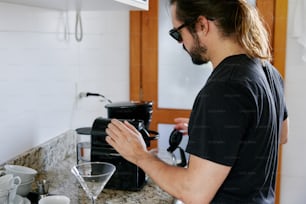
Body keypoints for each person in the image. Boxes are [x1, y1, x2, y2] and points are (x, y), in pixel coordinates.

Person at [105, 0, 289, 203]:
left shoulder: (224, 87)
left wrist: (140, 155)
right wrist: (213, 131)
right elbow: (279, 134)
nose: (179, 42)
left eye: (177, 33)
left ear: (202, 25)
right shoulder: (267, 71)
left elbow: (194, 193)